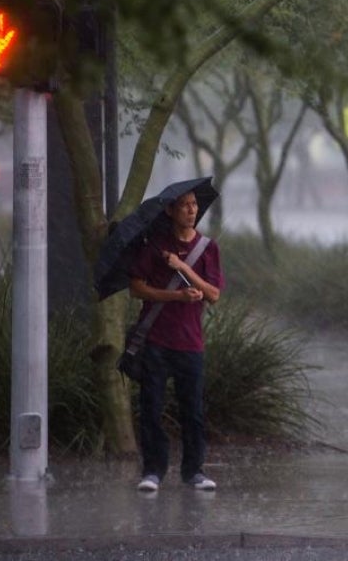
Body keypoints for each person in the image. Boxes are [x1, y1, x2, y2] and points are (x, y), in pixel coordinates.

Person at [128, 190, 223, 493]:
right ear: (170, 210)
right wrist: (175, 296)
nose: (190, 210)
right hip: (156, 340)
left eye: (194, 205)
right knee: (151, 407)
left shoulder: (208, 248)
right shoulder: (154, 247)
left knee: (192, 410)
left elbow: (214, 295)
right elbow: (137, 289)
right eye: (183, 205)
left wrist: (183, 269)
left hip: (190, 343)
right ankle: (153, 471)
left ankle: (194, 471)